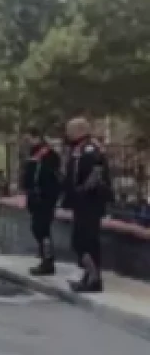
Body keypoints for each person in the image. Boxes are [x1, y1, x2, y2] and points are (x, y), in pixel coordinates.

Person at [61, 118, 110, 293]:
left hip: (90, 203)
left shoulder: (91, 149)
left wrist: (80, 193)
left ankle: (94, 279)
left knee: (85, 241)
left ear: (79, 131)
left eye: (69, 130)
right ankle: (89, 276)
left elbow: (95, 176)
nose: (67, 134)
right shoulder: (79, 148)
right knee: (81, 240)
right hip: (81, 204)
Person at [22, 127, 62, 275]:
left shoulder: (48, 155)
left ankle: (48, 261)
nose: (27, 143)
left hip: (44, 198)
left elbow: (50, 178)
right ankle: (44, 257)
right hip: (35, 198)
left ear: (37, 137)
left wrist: (43, 194)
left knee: (42, 228)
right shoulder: (34, 154)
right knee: (37, 228)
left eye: (29, 139)